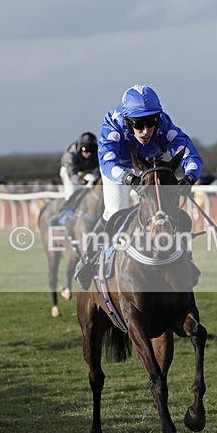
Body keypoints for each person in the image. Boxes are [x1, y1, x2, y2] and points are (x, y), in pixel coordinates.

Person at [74, 84, 203, 288]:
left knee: (169, 212)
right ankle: (89, 259)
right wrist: (128, 179)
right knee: (115, 210)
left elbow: (190, 154)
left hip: (150, 168)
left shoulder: (165, 125)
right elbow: (107, 162)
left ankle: (186, 258)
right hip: (119, 170)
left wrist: (189, 177)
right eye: (138, 124)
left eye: (151, 122)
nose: (145, 131)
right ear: (127, 120)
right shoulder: (113, 122)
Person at [50, 132, 100, 226]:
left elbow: (98, 170)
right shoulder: (70, 154)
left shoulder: (97, 152)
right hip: (70, 172)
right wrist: (81, 181)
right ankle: (63, 217)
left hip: (87, 171)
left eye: (91, 151)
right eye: (86, 150)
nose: (88, 154)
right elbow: (72, 174)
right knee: (72, 193)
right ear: (80, 147)